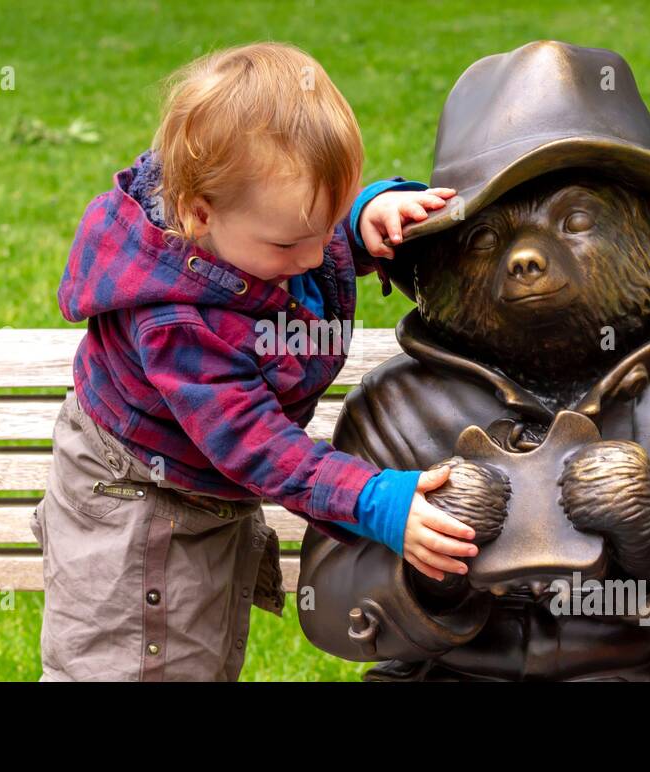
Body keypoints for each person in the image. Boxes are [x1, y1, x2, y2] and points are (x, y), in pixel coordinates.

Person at [34, 41, 477, 681]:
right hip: (138, 502)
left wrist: (365, 214)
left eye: (325, 230)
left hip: (196, 486)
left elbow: (308, 229)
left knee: (197, 659)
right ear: (197, 213)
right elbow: (256, 444)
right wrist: (373, 500)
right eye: (292, 241)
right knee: (133, 666)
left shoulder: (254, 230)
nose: (313, 257)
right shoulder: (177, 322)